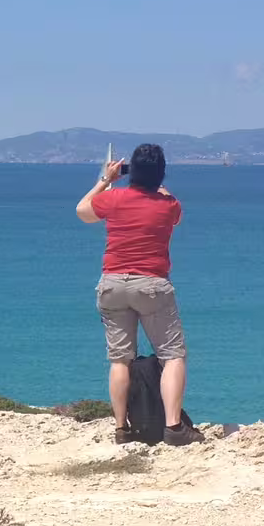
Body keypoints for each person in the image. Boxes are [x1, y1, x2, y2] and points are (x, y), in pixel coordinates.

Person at [76, 142, 197, 445]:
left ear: (130, 172)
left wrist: (105, 180)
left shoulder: (114, 198)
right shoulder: (168, 206)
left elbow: (83, 212)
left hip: (113, 283)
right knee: (172, 356)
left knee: (120, 360)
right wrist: (160, 187)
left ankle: (121, 429)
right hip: (151, 285)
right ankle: (173, 427)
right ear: (160, 173)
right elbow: (176, 212)